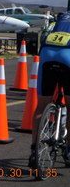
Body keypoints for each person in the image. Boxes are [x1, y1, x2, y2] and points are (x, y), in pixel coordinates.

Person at [28, 11, 70, 168]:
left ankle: (34, 151)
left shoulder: (62, 16)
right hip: (68, 55)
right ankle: (68, 151)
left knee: (42, 105)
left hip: (47, 54)